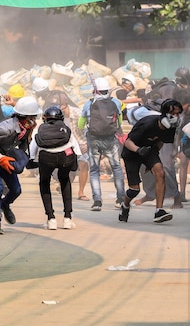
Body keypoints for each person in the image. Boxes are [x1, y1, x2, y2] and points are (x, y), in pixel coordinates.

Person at [0, 96, 40, 235]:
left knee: (16, 189)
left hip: (6, 155)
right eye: (32, 118)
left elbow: (23, 144)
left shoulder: (25, 128)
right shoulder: (6, 128)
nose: (34, 121)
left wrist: (29, 132)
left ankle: (5, 205)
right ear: (24, 117)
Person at [118, 99, 183, 224]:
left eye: (178, 114)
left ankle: (159, 210)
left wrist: (152, 160)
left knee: (160, 172)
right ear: (164, 114)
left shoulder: (170, 128)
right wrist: (138, 150)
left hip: (149, 150)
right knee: (134, 190)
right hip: (132, 152)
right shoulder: (147, 123)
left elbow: (160, 141)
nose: (176, 117)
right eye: (173, 114)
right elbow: (127, 142)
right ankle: (125, 205)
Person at [78, 77, 126, 212]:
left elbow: (80, 124)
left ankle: (97, 201)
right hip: (111, 139)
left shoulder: (89, 104)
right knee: (116, 168)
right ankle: (121, 199)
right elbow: (120, 122)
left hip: (93, 139)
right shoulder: (116, 102)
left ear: (95, 90)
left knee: (94, 170)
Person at [31, 106, 79, 230]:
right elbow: (75, 146)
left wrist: (31, 160)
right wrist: (75, 162)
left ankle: (51, 219)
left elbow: (33, 146)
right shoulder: (64, 128)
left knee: (44, 182)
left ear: (45, 118)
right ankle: (67, 218)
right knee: (64, 181)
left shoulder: (40, 128)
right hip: (65, 156)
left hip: (46, 157)